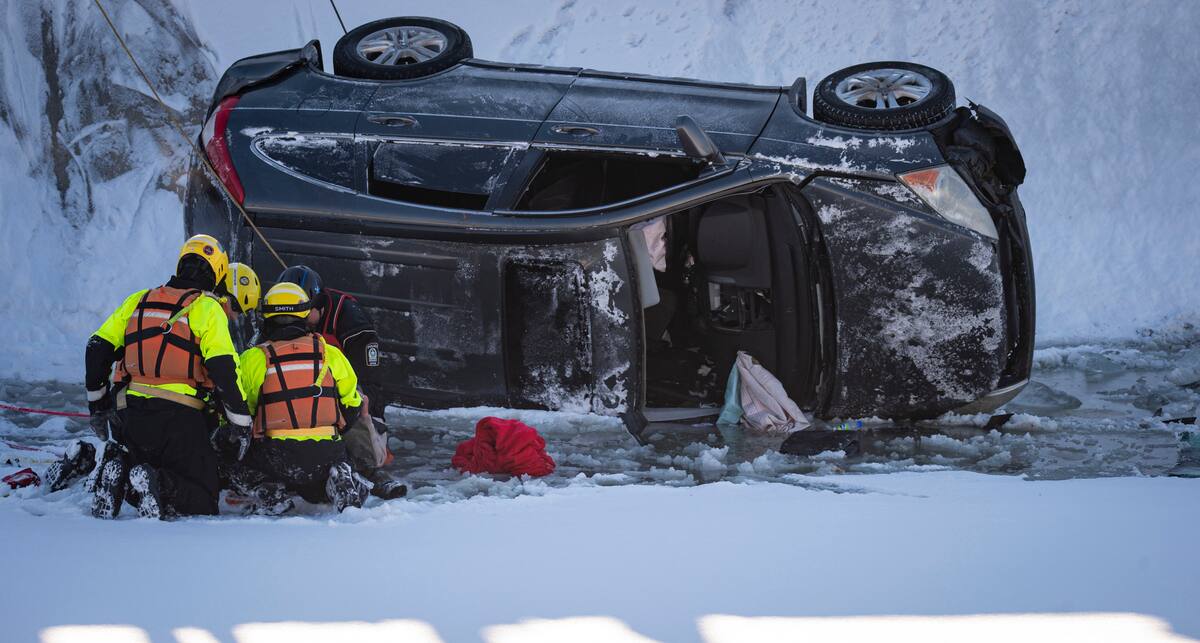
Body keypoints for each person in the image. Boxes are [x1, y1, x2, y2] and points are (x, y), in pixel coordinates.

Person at [84, 234, 252, 519]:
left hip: (132, 417)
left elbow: (96, 349)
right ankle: (155, 482)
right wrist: (241, 423)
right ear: (218, 273)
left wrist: (98, 407)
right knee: (202, 498)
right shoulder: (207, 308)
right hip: (181, 420)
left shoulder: (139, 300)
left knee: (143, 470)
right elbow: (223, 368)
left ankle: (121, 471)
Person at [275, 265, 406, 499]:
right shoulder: (283, 321)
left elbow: (369, 385)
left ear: (318, 305)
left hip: (343, 399)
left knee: (357, 403)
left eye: (304, 313)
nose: (299, 320)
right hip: (298, 401)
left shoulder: (352, 325)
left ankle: (369, 473)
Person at [238, 282, 371, 512]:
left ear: (267, 317)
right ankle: (338, 477)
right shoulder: (330, 353)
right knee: (316, 484)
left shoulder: (253, 358)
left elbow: (244, 411)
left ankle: (271, 495)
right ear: (306, 315)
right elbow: (352, 404)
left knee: (232, 464)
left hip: (277, 456)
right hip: (328, 452)